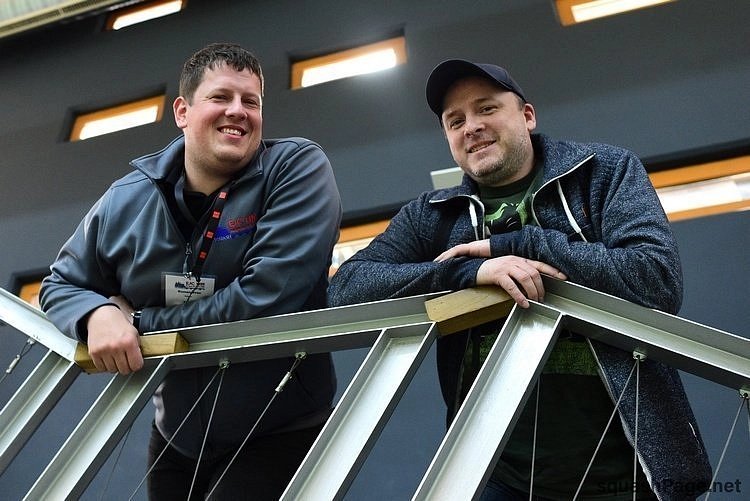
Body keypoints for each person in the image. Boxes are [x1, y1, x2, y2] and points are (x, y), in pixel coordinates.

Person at [328, 59, 712, 500]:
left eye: (486, 109)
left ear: (527, 116)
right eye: (455, 121)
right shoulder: (430, 214)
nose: (471, 126)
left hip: (629, 467)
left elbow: (657, 279)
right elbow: (346, 288)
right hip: (496, 473)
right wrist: (469, 272)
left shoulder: (602, 171)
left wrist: (521, 245)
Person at [40, 42, 342, 500]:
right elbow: (61, 282)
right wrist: (95, 314)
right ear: (182, 111)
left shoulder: (295, 167)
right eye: (221, 97)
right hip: (176, 433)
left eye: (251, 101)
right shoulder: (126, 198)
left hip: (279, 424)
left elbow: (267, 295)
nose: (238, 111)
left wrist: (138, 321)